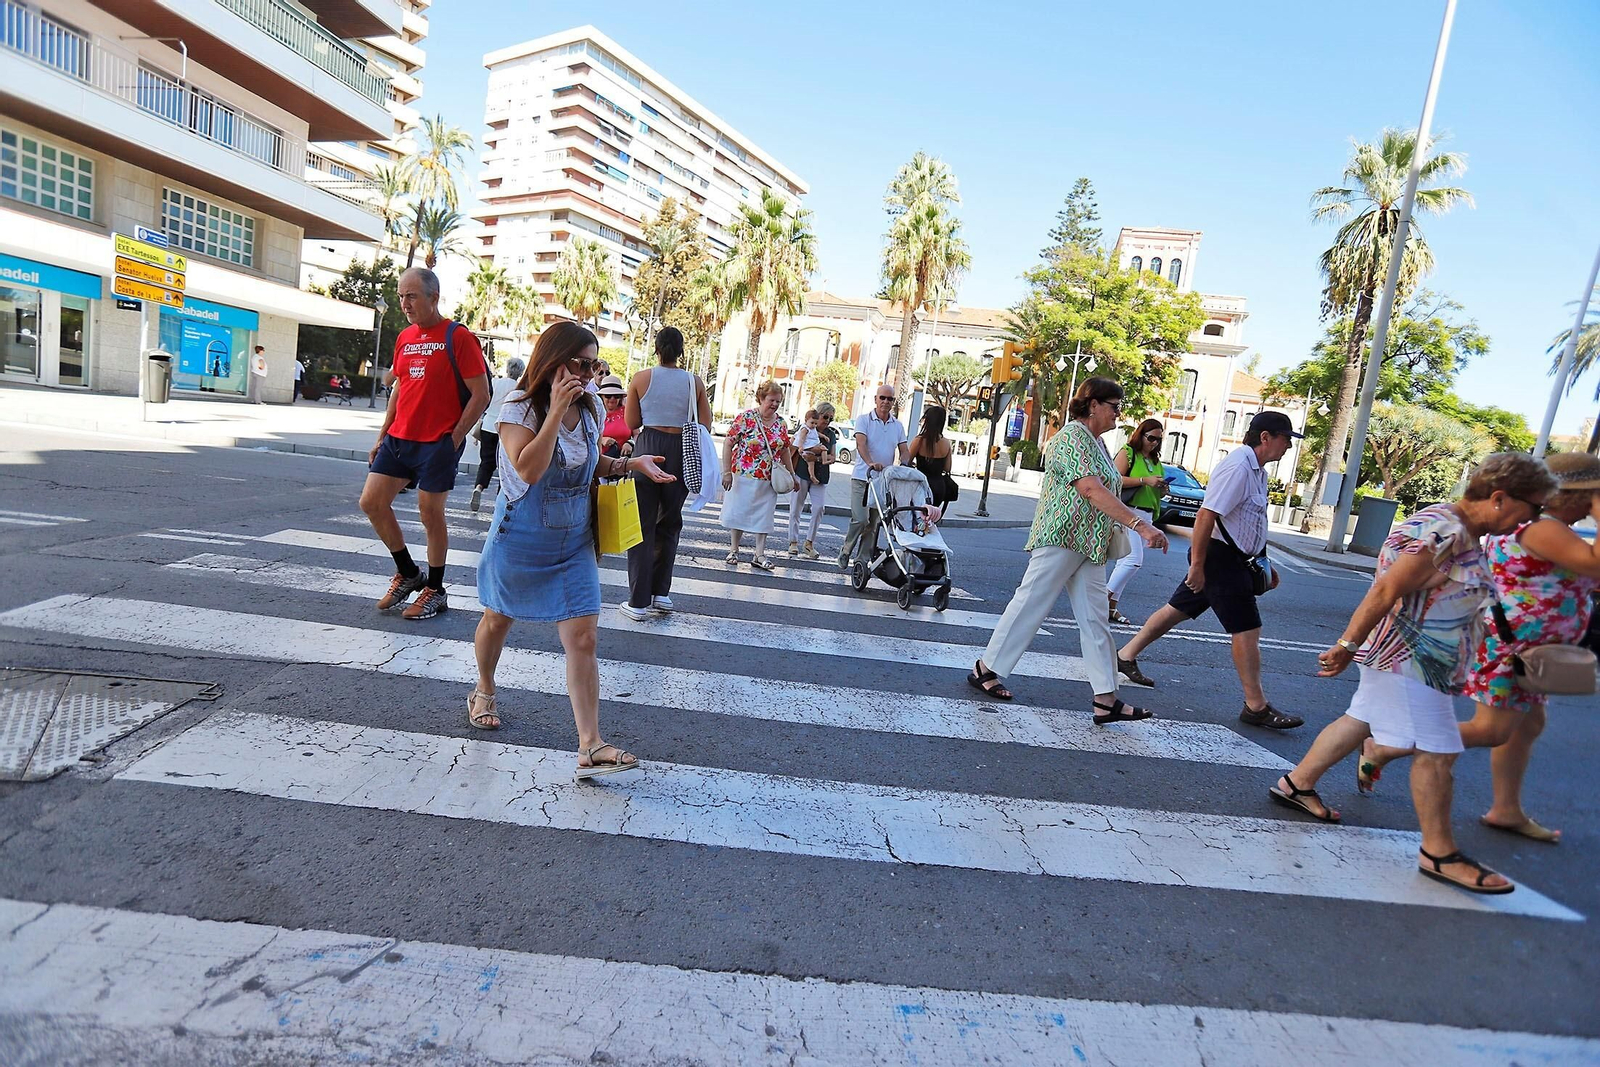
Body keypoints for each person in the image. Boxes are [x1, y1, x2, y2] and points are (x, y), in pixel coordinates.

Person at [1269, 453, 1554, 896]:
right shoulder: (1448, 531)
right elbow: (1387, 588)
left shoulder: (1451, 524)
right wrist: (1347, 644)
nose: (1532, 519)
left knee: (1359, 719)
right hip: (1412, 661)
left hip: (1408, 658)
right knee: (1437, 752)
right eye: (1534, 507)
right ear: (1499, 498)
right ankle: (1438, 853)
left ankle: (1296, 783)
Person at [470, 322, 673, 780]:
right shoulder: (518, 408)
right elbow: (529, 469)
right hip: (521, 534)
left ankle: (590, 744)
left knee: (584, 637)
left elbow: (589, 462)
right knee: (497, 620)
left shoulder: (592, 406)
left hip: (574, 539)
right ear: (553, 360)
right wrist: (555, 408)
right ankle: (484, 687)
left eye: (593, 365)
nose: (588, 374)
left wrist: (629, 463)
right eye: (581, 364)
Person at [970, 377, 1169, 718]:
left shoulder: (1098, 443)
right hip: (1062, 535)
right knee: (1031, 603)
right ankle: (986, 668)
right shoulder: (1071, 438)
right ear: (1093, 405)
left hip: (1091, 542)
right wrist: (1140, 525)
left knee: (1096, 619)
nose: (1118, 414)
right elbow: (1091, 489)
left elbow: (1108, 487)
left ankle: (1105, 698)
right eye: (1114, 406)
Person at [1115, 411, 1305, 730]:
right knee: (1247, 628)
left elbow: (1251, 522)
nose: (1288, 446)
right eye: (1286, 438)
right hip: (1221, 559)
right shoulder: (1238, 467)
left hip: (1232, 558)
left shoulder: (1258, 471)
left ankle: (1125, 655)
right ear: (1266, 437)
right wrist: (1198, 565)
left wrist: (1264, 560)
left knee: (1177, 609)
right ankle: (1256, 706)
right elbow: (1206, 516)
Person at [1447, 451, 1600, 844]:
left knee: (1527, 725)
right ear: (1577, 494)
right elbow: (1595, 564)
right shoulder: (1543, 528)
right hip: (1513, 648)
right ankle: (1386, 745)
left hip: (1525, 650)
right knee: (1490, 729)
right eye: (1593, 495)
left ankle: (1506, 809)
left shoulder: (1547, 528)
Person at [359, 267, 491, 620]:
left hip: (437, 442)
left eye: (412, 296)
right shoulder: (405, 337)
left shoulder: (458, 336)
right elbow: (400, 387)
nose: (405, 303)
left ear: (434, 297)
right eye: (401, 296)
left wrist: (455, 438)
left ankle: (435, 589)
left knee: (430, 514)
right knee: (372, 502)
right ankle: (407, 572)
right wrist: (382, 434)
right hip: (399, 438)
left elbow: (481, 394)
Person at [622, 327, 712, 618]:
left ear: (657, 349)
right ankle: (661, 593)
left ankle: (638, 601)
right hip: (681, 450)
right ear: (681, 350)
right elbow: (705, 423)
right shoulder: (694, 382)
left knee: (641, 523)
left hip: (648, 445)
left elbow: (632, 422)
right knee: (670, 522)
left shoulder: (641, 378)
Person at [720, 380, 793, 571]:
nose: (775, 404)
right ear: (761, 398)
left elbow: (785, 449)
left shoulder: (781, 423)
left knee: (764, 516)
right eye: (771, 400)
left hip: (769, 478)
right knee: (738, 511)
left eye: (778, 401)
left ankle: (759, 554)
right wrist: (726, 472)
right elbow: (728, 443)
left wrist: (792, 475)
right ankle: (734, 550)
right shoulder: (746, 418)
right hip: (743, 474)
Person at [839, 385, 910, 568]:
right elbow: (861, 444)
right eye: (882, 398)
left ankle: (861, 561)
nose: (886, 402)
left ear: (893, 402)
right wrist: (870, 462)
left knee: (874, 524)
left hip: (882, 481)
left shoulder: (897, 425)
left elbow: (904, 450)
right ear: (875, 399)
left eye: (890, 399)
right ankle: (846, 549)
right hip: (863, 477)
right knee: (861, 519)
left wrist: (904, 464)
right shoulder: (864, 420)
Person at [1107, 418, 1169, 624]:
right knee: (1133, 560)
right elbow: (1114, 479)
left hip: (1148, 514)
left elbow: (1156, 492)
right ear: (1140, 435)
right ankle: (1102, 600)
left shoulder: (1155, 461)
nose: (1154, 443)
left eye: (1158, 440)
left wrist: (1162, 489)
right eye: (1151, 438)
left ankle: (1111, 607)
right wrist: (1144, 480)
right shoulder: (1128, 453)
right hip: (1129, 512)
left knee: (1125, 562)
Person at [469, 356, 525, 513]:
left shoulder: (494, 383)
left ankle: (479, 487)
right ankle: (501, 496)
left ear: (507, 369)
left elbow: (484, 402)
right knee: (505, 465)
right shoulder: (519, 388)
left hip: (488, 426)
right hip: (506, 429)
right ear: (521, 372)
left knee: (486, 462)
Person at [787, 402, 839, 558]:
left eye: (831, 418)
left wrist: (815, 458)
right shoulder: (806, 428)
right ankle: (793, 541)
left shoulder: (830, 434)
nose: (827, 421)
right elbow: (795, 446)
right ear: (818, 414)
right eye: (825, 417)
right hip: (801, 472)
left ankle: (809, 543)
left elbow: (833, 457)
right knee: (796, 507)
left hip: (820, 475)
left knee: (819, 508)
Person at [909, 405, 959, 510]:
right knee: (931, 517)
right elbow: (947, 468)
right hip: (939, 488)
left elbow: (906, 460)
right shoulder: (946, 443)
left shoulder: (919, 440)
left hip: (921, 486)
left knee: (918, 516)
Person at [597, 375, 632, 459]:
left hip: (623, 459)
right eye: (608, 396)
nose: (612, 399)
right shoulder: (595, 413)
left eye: (616, 396)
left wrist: (630, 443)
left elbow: (637, 434)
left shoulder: (628, 412)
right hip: (599, 460)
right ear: (601, 396)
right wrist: (601, 440)